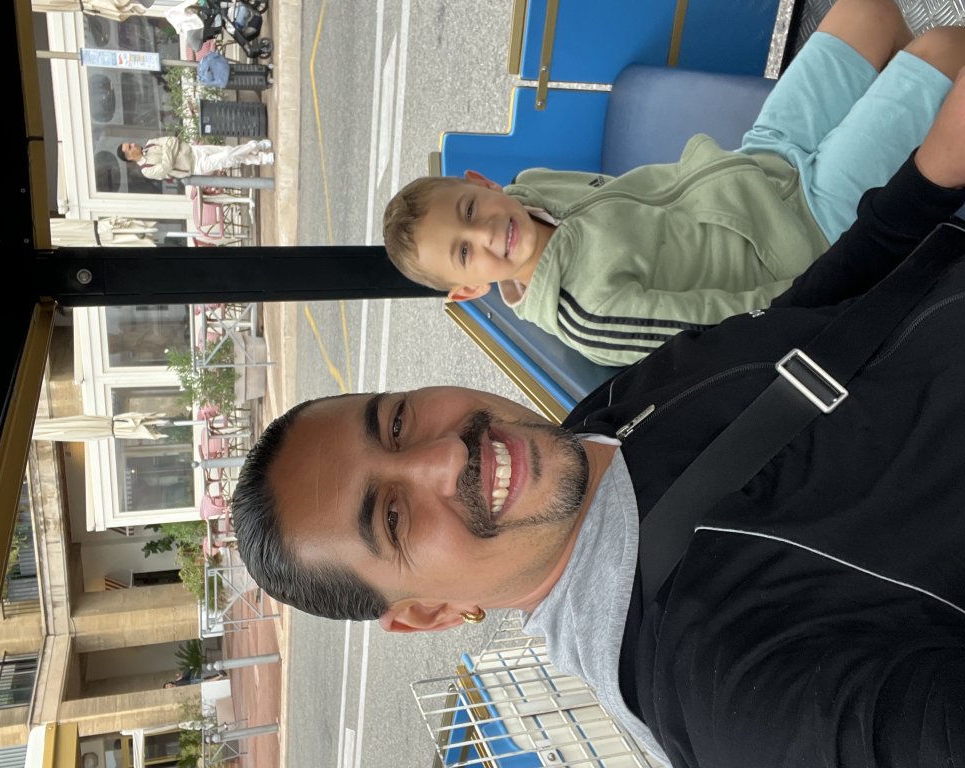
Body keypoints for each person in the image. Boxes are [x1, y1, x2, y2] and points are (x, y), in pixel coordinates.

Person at [230, 67, 965, 767]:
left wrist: (928, 180)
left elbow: (797, 329)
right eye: (392, 517)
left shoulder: (593, 429)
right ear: (429, 612)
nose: (446, 457)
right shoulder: (718, 680)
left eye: (396, 424)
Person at [383, 0, 965, 366]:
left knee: (869, 12)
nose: (486, 233)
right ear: (469, 290)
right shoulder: (592, 315)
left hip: (759, 160)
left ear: (483, 183)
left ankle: (911, 127)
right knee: (944, 49)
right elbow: (744, 329)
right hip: (810, 231)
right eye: (465, 253)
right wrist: (850, 271)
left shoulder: (532, 189)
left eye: (468, 209)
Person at [117, 136, 274, 181]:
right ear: (129, 157)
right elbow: (166, 166)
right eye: (129, 147)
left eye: (130, 143)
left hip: (194, 150)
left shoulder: (150, 143)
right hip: (195, 166)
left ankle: (261, 158)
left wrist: (168, 154)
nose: (133, 144)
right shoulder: (147, 170)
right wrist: (169, 152)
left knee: (228, 152)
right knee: (227, 156)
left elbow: (172, 140)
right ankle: (256, 145)